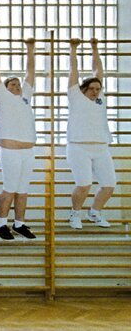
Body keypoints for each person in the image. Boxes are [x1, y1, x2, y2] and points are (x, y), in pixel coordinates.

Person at [0, 37, 38, 240]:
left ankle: (19, 223)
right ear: (6, 87)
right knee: (10, 188)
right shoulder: (3, 96)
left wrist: (30, 49)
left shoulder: (26, 97)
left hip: (28, 151)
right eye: (13, 84)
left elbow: (31, 72)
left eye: (18, 84)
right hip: (10, 151)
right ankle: (1, 223)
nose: (17, 86)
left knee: (23, 190)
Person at [66, 38, 115, 229]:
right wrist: (73, 49)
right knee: (84, 184)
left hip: (101, 147)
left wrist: (95, 48)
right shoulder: (75, 96)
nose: (95, 91)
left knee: (109, 185)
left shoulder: (100, 99)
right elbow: (74, 71)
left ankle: (94, 212)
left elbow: (98, 71)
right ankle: (75, 214)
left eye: (98, 89)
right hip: (79, 147)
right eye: (92, 89)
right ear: (83, 89)